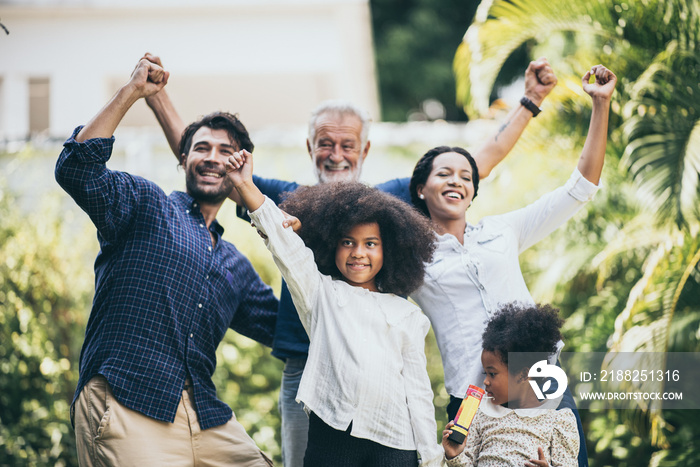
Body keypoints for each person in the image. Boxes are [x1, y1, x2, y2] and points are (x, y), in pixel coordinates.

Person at [143, 52, 557, 466]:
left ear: (365, 149)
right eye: (325, 143)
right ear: (310, 146)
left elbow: (476, 162)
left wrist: (529, 102)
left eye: (347, 144)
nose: (336, 154)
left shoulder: (387, 204)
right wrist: (158, 99)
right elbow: (212, 165)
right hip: (306, 366)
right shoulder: (284, 197)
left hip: (377, 367)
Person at [55, 59, 277, 466]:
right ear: (183, 160)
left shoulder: (236, 266)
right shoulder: (145, 204)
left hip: (207, 418)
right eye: (201, 149)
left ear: (242, 167)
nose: (212, 158)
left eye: (226, 152)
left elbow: (290, 329)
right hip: (127, 399)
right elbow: (77, 169)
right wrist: (132, 93)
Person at [409, 64, 617, 466]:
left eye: (466, 176)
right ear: (421, 188)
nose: (457, 181)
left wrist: (601, 104)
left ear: (473, 191)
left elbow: (581, 188)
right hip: (472, 395)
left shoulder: (503, 231)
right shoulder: (410, 255)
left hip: (541, 378)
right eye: (444, 174)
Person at [226, 142, 444, 465]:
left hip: (396, 442)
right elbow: (287, 248)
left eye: (371, 244)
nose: (358, 252)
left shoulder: (408, 315)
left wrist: (429, 456)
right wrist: (245, 185)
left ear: (390, 250)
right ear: (332, 247)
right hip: (332, 436)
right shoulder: (321, 295)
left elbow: (419, 391)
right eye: (348, 242)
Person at [441, 303, 579, 467]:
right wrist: (454, 456)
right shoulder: (481, 413)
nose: (485, 381)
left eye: (492, 374)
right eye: (485, 373)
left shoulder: (558, 421)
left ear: (523, 374)